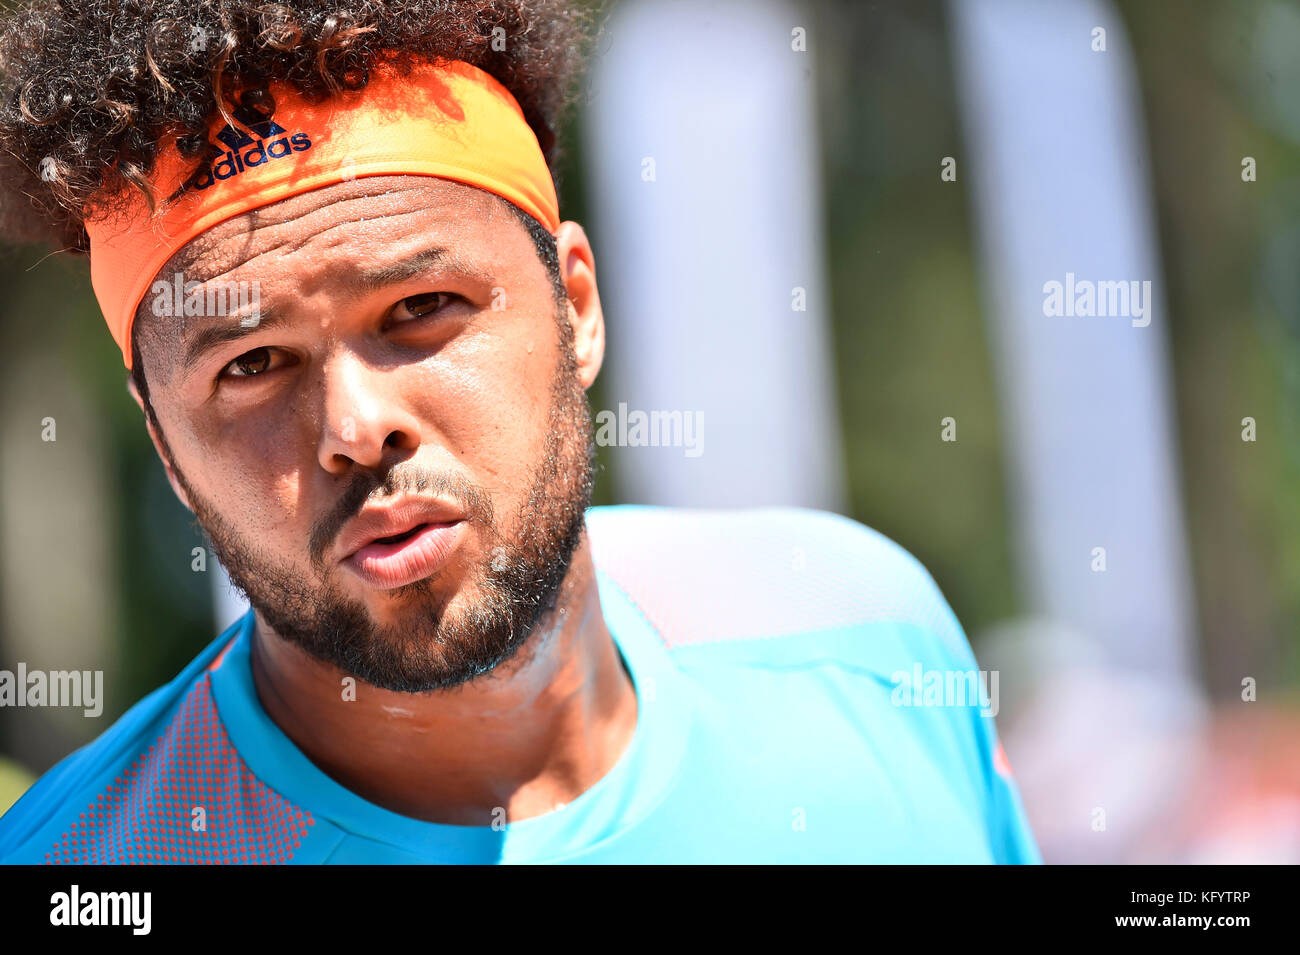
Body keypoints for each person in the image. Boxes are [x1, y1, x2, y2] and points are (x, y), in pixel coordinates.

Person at [0, 0, 1040, 864]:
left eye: (421, 309)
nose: (357, 429)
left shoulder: (855, 633)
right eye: (252, 365)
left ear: (575, 307)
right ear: (166, 445)